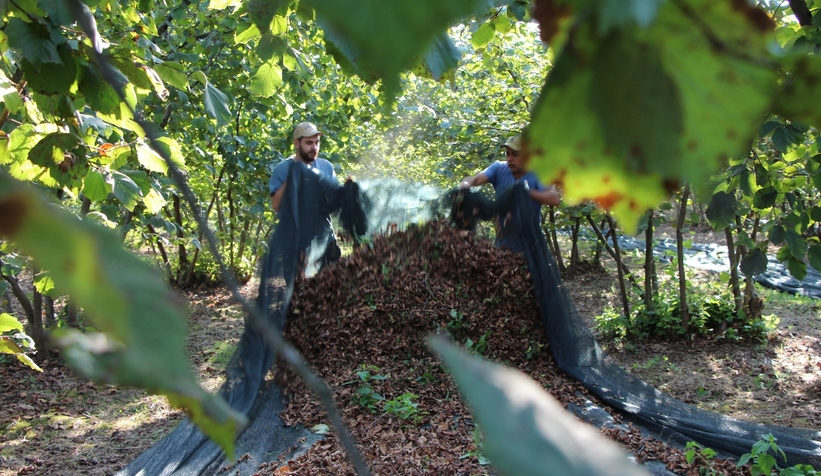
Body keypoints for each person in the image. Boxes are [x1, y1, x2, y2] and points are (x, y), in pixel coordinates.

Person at [459, 135, 559, 250]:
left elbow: (554, 199)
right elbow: (474, 180)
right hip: (502, 243)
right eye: (507, 154)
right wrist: (465, 185)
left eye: (515, 154)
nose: (510, 159)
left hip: (529, 245)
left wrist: (525, 192)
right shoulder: (498, 168)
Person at [268, 121, 340, 268]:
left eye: (316, 143)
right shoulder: (282, 169)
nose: (314, 147)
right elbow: (276, 205)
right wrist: (292, 178)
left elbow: (334, 202)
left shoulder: (326, 166)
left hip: (326, 241)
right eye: (308, 143)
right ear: (296, 143)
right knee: (299, 290)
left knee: (331, 288)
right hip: (295, 246)